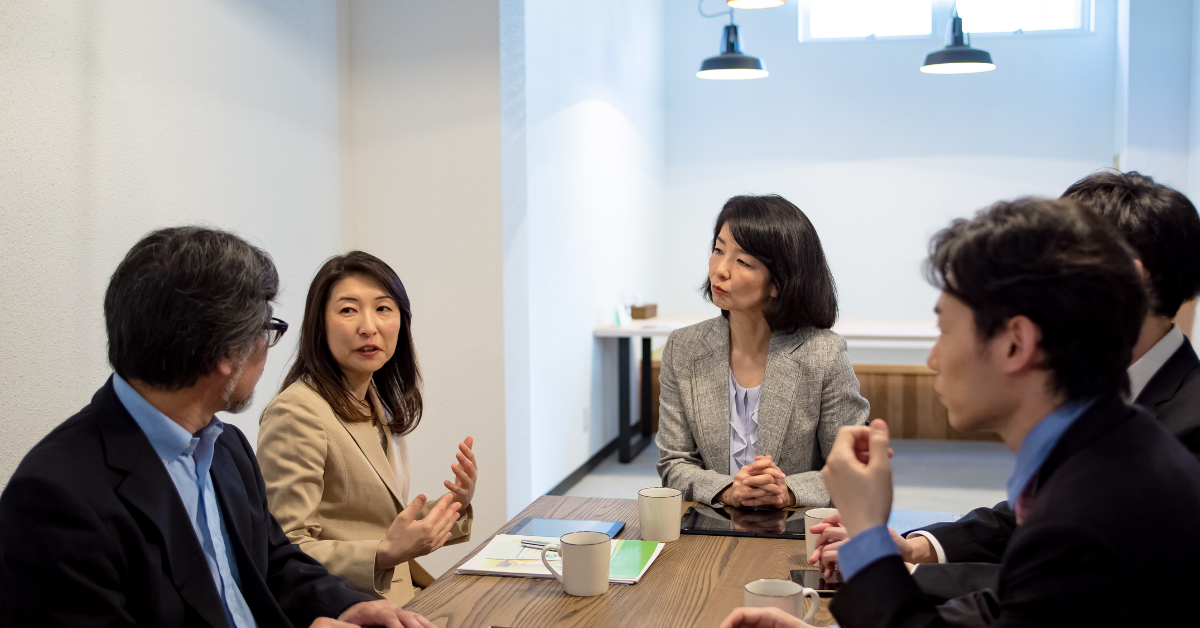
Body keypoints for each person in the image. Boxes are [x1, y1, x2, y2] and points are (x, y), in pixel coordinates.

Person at [722, 197, 1200, 628]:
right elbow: (1007, 609)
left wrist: (867, 529)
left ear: (1016, 343)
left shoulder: (1096, 508)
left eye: (945, 329)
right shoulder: (1106, 449)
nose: (933, 359)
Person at [0, 227, 434, 627]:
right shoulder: (55, 498)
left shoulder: (225, 447)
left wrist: (347, 604)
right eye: (267, 330)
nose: (268, 348)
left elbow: (275, 561)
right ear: (225, 353)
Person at [257, 251, 474, 607]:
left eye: (383, 309)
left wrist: (453, 505)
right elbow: (285, 551)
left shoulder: (374, 398)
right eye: (348, 310)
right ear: (319, 324)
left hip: (401, 596)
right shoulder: (297, 411)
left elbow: (372, 522)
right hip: (347, 608)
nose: (368, 326)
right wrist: (382, 554)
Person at [656, 194, 869, 509]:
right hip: (709, 527)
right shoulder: (684, 348)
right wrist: (729, 490)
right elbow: (674, 463)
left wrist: (787, 490)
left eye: (742, 261)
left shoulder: (824, 353)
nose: (720, 270)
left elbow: (852, 468)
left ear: (779, 282)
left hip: (794, 532)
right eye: (718, 250)